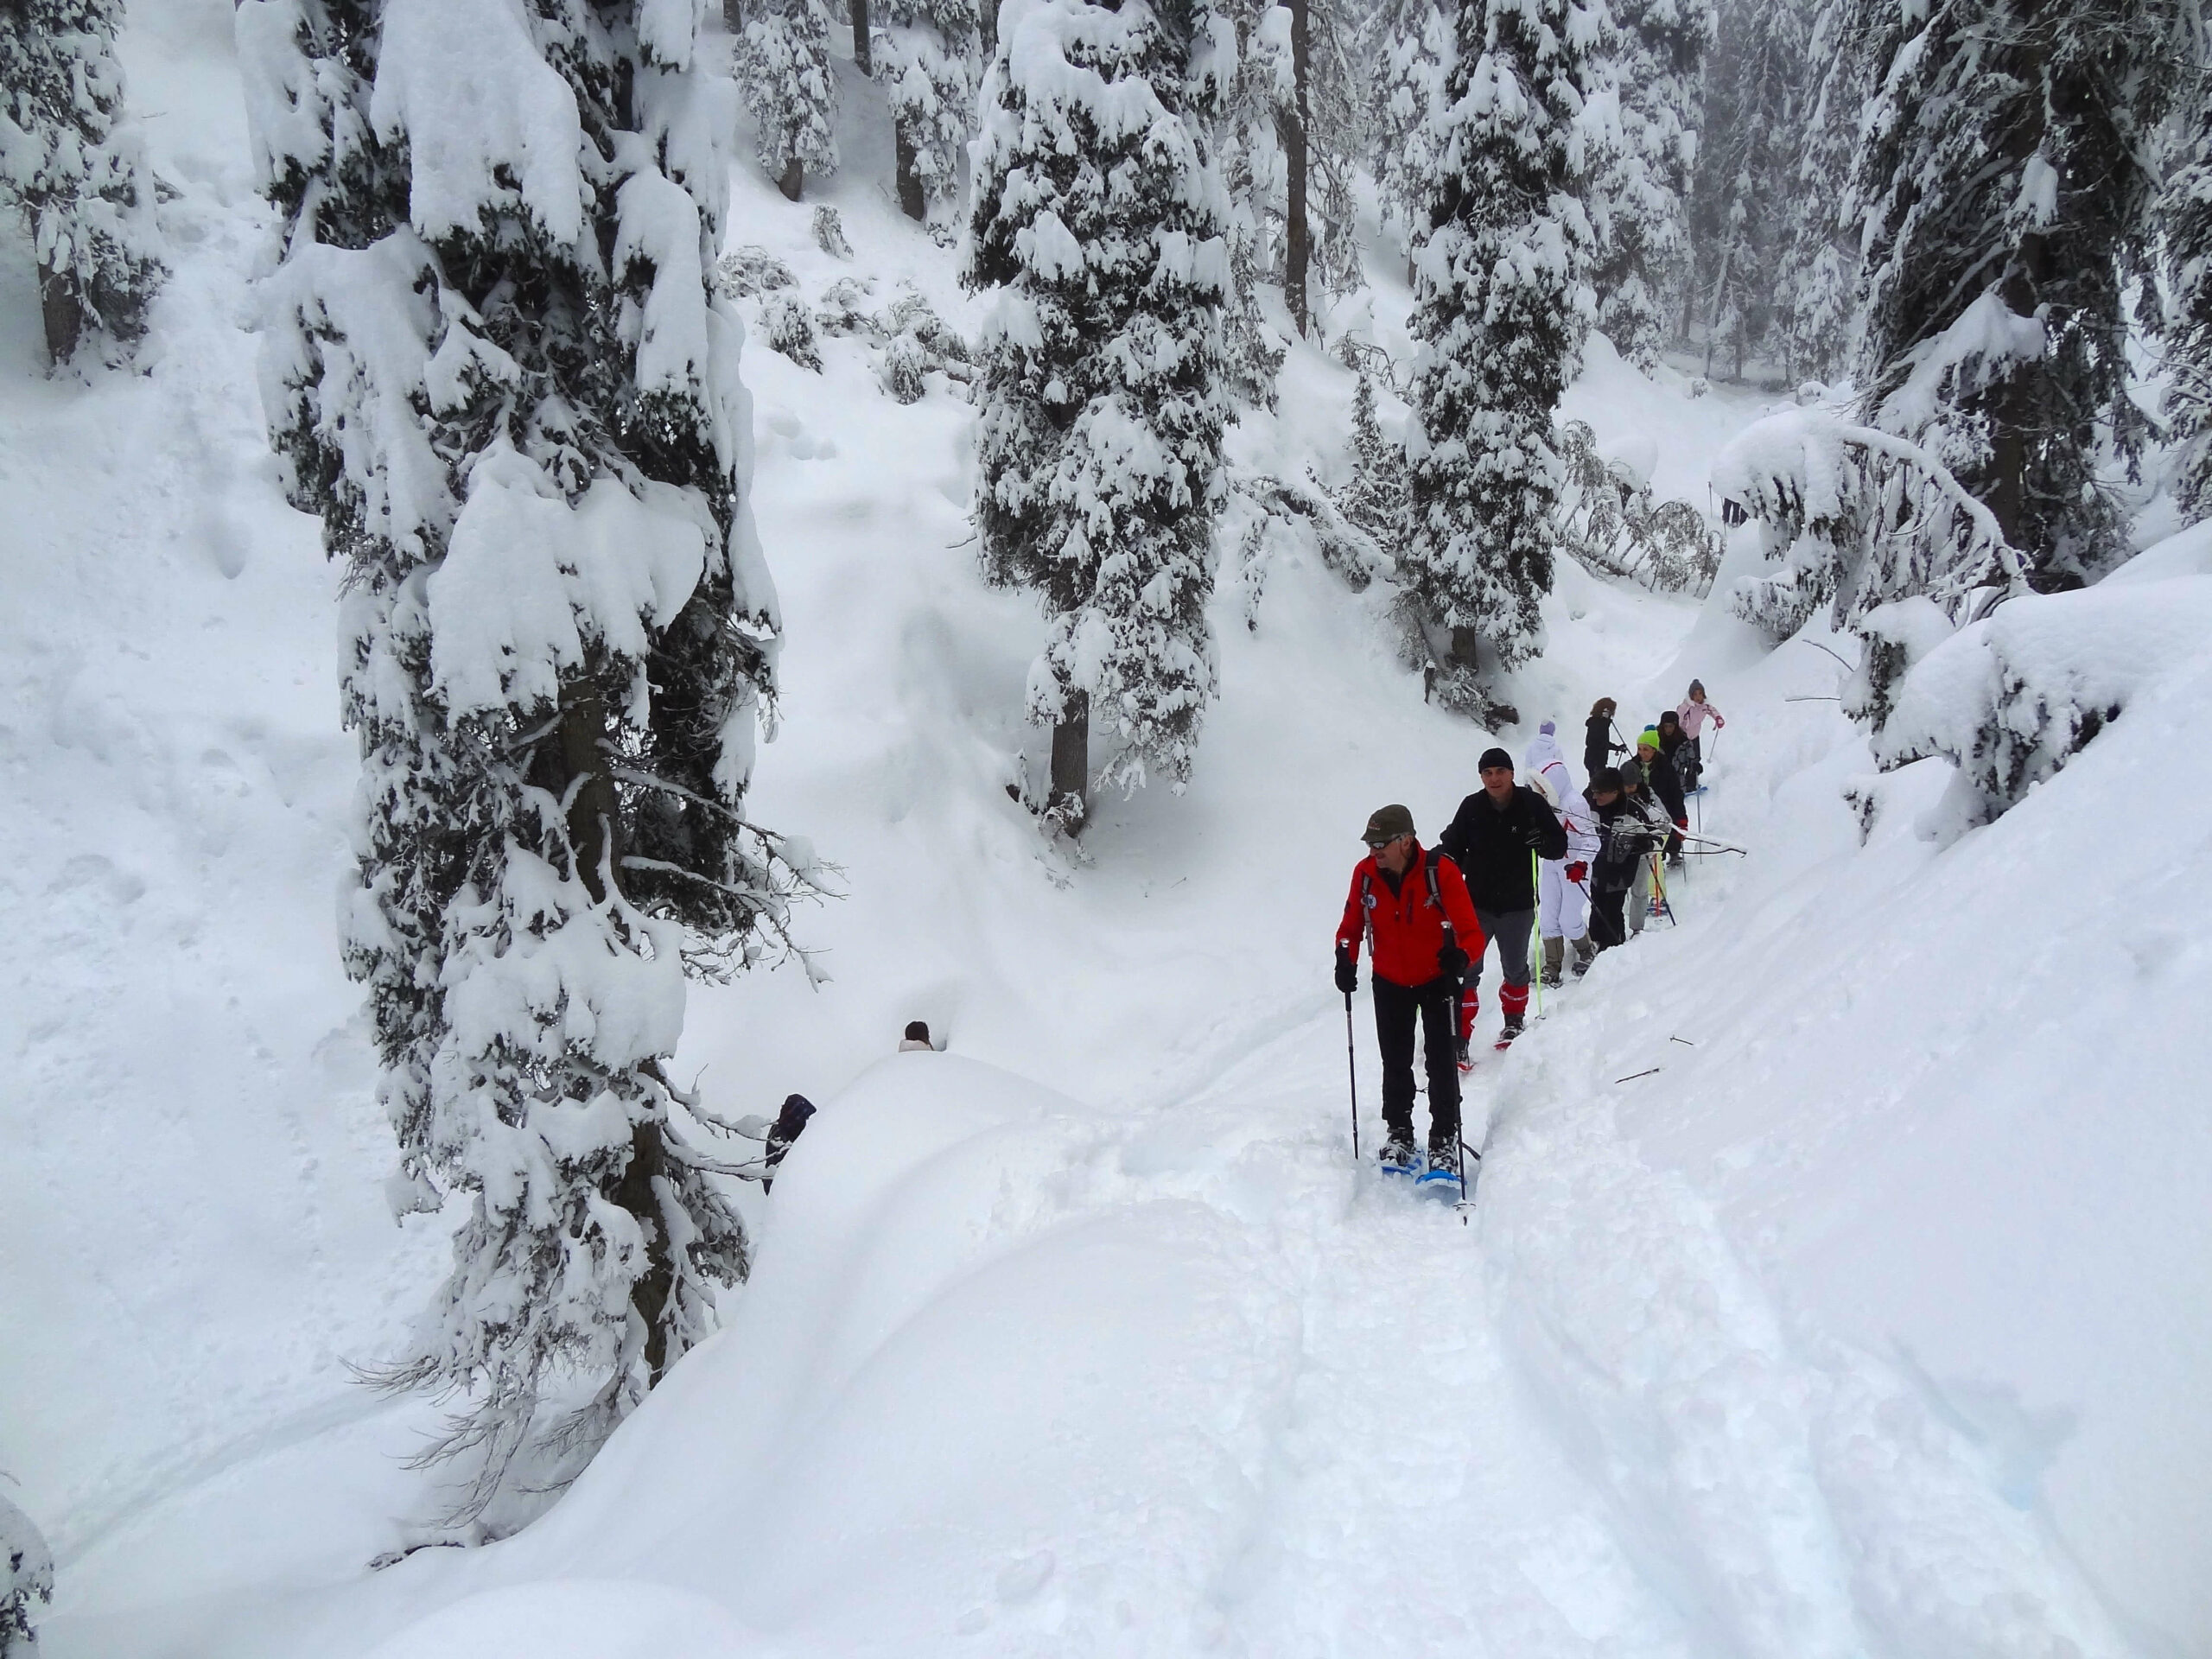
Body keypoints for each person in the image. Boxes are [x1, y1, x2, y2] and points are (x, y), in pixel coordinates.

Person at [1333, 804, 1484, 1176]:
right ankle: (1399, 1131)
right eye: (1371, 844)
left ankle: (1444, 1137)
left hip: (1436, 979)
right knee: (1395, 1061)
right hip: (1389, 980)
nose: (1374, 851)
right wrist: (1344, 958)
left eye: (1381, 843)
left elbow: (1472, 933)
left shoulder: (1440, 872)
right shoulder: (1365, 874)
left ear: (1406, 840)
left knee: (1440, 1061)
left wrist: (1460, 958)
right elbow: (1350, 925)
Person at [1438, 745, 1567, 1055]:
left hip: (1518, 904)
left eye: (1500, 772)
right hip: (1475, 905)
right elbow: (1452, 845)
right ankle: (1461, 1034)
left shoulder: (1531, 804)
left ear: (1511, 773)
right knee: (1466, 967)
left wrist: (1543, 841)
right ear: (1481, 776)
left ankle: (1514, 1021)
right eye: (1487, 773)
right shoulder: (1471, 807)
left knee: (1515, 967)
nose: (1494, 779)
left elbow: (1558, 845)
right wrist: (1440, 865)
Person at [1523, 721, 1600, 986]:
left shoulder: (1574, 803)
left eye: (1543, 787)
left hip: (1574, 869)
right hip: (1551, 865)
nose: (1540, 791)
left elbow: (1593, 840)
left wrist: (1581, 863)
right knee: (1547, 918)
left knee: (1569, 918)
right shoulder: (1543, 806)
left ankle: (1586, 949)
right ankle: (1552, 964)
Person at [1584, 770, 1667, 953]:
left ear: (1615, 792)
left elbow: (1656, 838)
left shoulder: (1634, 811)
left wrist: (1643, 843)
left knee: (1612, 909)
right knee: (1596, 905)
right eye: (1594, 791)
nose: (1595, 796)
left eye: (1601, 793)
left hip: (1620, 872)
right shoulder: (1589, 807)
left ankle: (1613, 947)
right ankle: (1594, 944)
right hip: (1596, 869)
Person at [1616, 758, 1672, 935]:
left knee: (1640, 890)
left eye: (1633, 785)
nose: (1630, 788)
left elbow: (1665, 822)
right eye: (1626, 785)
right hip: (1619, 851)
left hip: (1642, 851)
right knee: (1616, 890)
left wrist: (1653, 842)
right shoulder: (1614, 799)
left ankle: (1637, 929)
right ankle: (1616, 929)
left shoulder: (1648, 796)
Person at [1639, 722, 1688, 862]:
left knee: (1669, 831)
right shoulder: (1634, 766)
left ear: (1654, 750)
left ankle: (1674, 854)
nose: (1642, 753)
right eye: (1639, 749)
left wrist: (1682, 819)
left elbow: (1676, 794)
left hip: (1666, 806)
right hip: (1644, 808)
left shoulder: (1666, 768)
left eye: (1646, 749)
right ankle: (1657, 862)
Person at [1675, 680, 1725, 791]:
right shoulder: (1685, 706)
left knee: (1695, 760)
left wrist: (1718, 718)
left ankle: (1691, 784)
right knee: (1682, 761)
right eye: (1695, 694)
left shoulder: (1705, 706)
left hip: (1695, 737)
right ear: (1691, 695)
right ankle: (1679, 785)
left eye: (1700, 694)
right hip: (1683, 737)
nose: (1698, 697)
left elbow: (1713, 711)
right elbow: (1676, 718)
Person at [761, 1092, 816, 1192]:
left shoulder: (783, 1128)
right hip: (781, 1190)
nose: (806, 1122)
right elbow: (794, 1168)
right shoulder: (781, 1136)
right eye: (805, 1118)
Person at [1583, 697, 1626, 777]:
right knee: (1598, 786)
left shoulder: (1599, 724)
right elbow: (1598, 743)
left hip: (1596, 761)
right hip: (1595, 762)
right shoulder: (1597, 724)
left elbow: (1603, 743)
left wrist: (1617, 748)